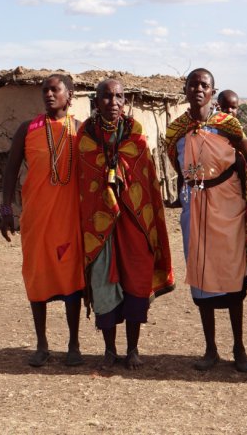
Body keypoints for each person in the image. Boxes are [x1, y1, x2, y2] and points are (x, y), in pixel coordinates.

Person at [165, 68, 247, 372]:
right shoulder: (176, 129)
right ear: (185, 89)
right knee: (201, 275)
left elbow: (246, 156)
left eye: (204, 85)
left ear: (212, 91)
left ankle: (239, 348)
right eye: (193, 84)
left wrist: (243, 196)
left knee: (233, 277)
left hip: (228, 205)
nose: (198, 89)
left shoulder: (228, 125)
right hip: (195, 205)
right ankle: (210, 349)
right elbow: (177, 164)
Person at [77, 79, 174, 370]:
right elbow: (85, 182)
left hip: (134, 221)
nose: (113, 102)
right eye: (106, 97)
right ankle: (109, 350)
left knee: (136, 281)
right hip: (100, 225)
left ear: (125, 101)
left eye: (119, 96)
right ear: (96, 101)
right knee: (104, 284)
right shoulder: (85, 137)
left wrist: (120, 169)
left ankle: (132, 349)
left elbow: (146, 181)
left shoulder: (137, 136)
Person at [0, 73, 85, 367]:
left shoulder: (80, 130)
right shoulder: (28, 129)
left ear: (69, 94)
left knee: (71, 278)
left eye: (55, 90)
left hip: (69, 218)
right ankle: (42, 344)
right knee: (36, 276)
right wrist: (6, 210)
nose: (49, 95)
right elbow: (10, 171)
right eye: (45, 91)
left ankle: (74, 344)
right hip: (35, 219)